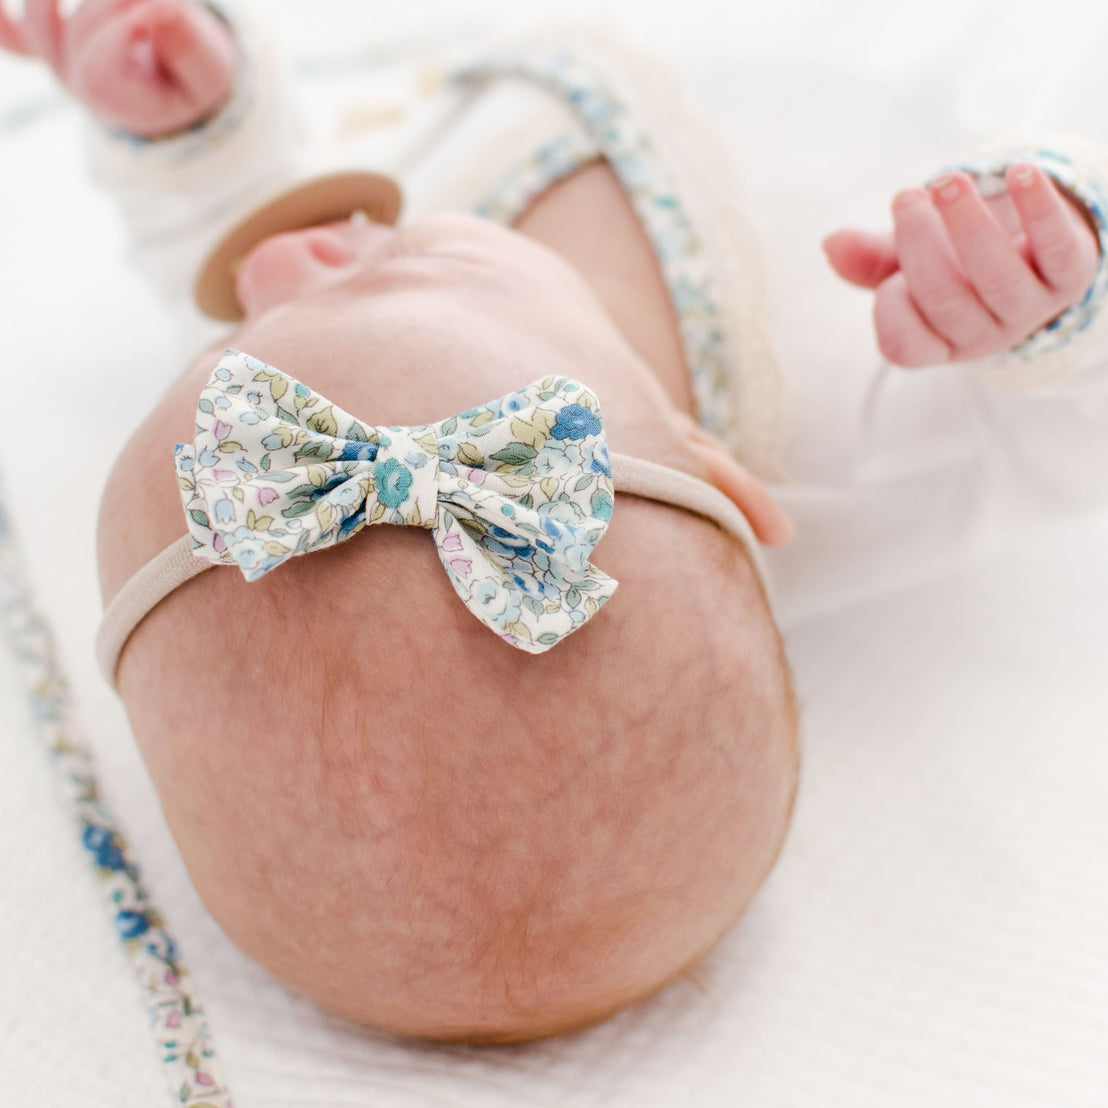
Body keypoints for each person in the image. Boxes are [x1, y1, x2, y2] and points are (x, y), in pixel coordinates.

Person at [1, 0, 1104, 1044]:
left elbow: (242, 226)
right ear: (714, 467)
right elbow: (1068, 433)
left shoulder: (265, 432)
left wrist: (194, 130)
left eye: (228, 344)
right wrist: (1043, 285)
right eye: (381, 276)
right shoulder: (847, 428)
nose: (267, 259)